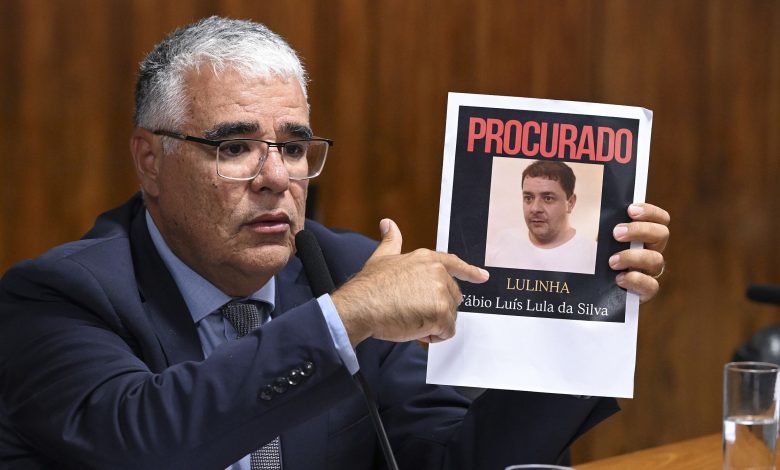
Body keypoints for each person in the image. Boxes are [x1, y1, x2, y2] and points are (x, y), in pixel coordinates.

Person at [0, 16, 670, 470]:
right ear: (151, 160)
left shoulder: (344, 268)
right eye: (234, 147)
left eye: (293, 148)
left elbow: (449, 459)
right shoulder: (60, 296)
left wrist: (584, 318)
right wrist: (344, 319)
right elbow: (144, 443)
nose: (275, 178)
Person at [486, 161, 598, 274]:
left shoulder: (593, 255)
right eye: (528, 198)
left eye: (548, 198)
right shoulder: (503, 242)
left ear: (570, 203)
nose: (535, 208)